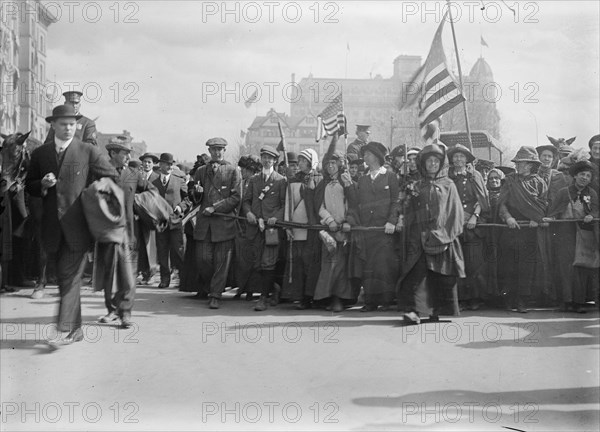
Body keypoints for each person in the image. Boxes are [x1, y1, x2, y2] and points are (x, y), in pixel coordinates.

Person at [26, 105, 117, 345]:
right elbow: (30, 185)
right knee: (68, 279)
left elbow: (111, 177)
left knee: (68, 275)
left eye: (72, 123)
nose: (68, 128)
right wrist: (43, 185)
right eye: (63, 123)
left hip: (80, 227)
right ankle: (76, 330)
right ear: (53, 125)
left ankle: (63, 329)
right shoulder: (41, 154)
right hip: (52, 228)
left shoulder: (87, 151)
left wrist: (94, 194)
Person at [399, 143, 465, 324]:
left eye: (436, 161)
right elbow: (409, 213)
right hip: (419, 238)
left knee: (439, 276)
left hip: (442, 237)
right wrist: (408, 200)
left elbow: (455, 213)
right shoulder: (416, 185)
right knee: (417, 275)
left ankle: (435, 312)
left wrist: (443, 235)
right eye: (429, 161)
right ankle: (414, 312)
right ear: (424, 164)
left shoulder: (449, 185)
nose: (433, 164)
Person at [95, 137, 154, 327]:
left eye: (129, 153)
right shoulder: (100, 172)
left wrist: (139, 205)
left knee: (129, 273)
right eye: (124, 153)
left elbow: (151, 191)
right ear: (112, 153)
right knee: (109, 272)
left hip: (129, 232)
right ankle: (112, 310)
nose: (128, 156)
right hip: (107, 231)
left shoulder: (134, 174)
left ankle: (126, 312)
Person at [347, 141, 400, 311]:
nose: (365, 157)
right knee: (368, 265)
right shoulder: (362, 179)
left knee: (383, 265)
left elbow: (395, 201)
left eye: (368, 154)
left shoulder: (390, 177)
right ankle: (370, 301)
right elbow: (356, 202)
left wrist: (392, 220)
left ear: (376, 157)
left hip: (384, 229)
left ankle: (385, 300)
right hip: (367, 229)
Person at [192, 137, 241, 309]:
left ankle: (215, 295)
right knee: (203, 259)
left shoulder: (233, 170)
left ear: (224, 151)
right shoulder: (201, 171)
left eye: (220, 149)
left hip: (224, 223)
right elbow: (195, 198)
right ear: (209, 152)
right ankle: (209, 287)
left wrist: (216, 208)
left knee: (221, 262)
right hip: (205, 224)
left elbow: (236, 197)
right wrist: (196, 193)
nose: (217, 152)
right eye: (213, 150)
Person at [498, 146, 548, 313]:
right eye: (517, 162)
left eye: (522, 163)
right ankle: (508, 299)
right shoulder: (509, 180)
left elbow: (544, 205)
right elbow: (501, 204)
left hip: (529, 231)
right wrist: (508, 218)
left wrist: (536, 218)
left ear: (531, 165)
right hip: (511, 229)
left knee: (526, 267)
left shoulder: (539, 182)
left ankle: (522, 301)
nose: (518, 165)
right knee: (509, 265)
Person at [545, 160, 599, 312]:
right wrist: (552, 218)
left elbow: (595, 210)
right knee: (566, 267)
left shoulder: (592, 193)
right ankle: (566, 301)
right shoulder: (564, 192)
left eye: (588, 176)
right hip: (565, 233)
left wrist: (591, 216)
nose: (584, 178)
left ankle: (579, 302)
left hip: (583, 233)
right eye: (582, 174)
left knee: (581, 267)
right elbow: (554, 211)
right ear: (575, 176)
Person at [243, 146, 287, 311]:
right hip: (255, 227)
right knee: (257, 263)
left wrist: (277, 216)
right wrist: (248, 213)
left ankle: (263, 298)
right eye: (264, 158)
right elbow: (246, 201)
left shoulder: (281, 180)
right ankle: (274, 289)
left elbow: (284, 204)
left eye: (270, 158)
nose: (267, 161)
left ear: (275, 161)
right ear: (261, 159)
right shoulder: (254, 180)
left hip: (271, 228)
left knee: (268, 262)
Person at [447, 144, 490, 310]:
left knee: (474, 262)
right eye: (455, 156)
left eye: (462, 157)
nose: (458, 159)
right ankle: (461, 299)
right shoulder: (448, 176)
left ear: (467, 160)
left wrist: (475, 216)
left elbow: (482, 198)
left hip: (473, 225)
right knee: (458, 261)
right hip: (454, 225)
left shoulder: (475, 175)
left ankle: (475, 298)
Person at [313, 151, 356, 311]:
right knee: (329, 265)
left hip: (343, 228)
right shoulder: (323, 184)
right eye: (328, 163)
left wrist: (346, 221)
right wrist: (329, 220)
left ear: (339, 164)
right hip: (328, 229)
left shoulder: (345, 182)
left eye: (333, 163)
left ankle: (340, 299)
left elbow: (352, 203)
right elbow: (319, 206)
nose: (331, 166)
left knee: (341, 266)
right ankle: (327, 297)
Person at [282, 148, 322, 309]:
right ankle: (298, 296)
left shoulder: (318, 179)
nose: (300, 164)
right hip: (296, 228)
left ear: (311, 162)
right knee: (297, 265)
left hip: (312, 229)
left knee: (310, 265)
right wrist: (287, 226)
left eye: (303, 161)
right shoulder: (293, 180)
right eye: (299, 161)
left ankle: (310, 296)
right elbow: (288, 205)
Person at [152, 153, 190, 288]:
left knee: (179, 250)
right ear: (160, 165)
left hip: (175, 221)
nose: (168, 166)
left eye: (170, 164)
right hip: (160, 223)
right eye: (166, 164)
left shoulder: (178, 180)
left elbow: (187, 199)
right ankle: (164, 279)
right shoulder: (153, 183)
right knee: (162, 251)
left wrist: (181, 207)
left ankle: (183, 278)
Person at [233, 155, 262, 301]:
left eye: (243, 169)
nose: (241, 171)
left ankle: (250, 290)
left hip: (253, 223)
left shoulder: (255, 182)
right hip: (240, 225)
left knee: (252, 259)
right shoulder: (242, 182)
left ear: (250, 169)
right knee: (242, 259)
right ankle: (242, 288)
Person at [137, 152, 160, 284]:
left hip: (150, 215)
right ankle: (142, 272)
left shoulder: (156, 178)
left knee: (151, 244)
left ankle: (151, 274)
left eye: (149, 162)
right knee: (140, 244)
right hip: (138, 214)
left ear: (153, 164)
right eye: (145, 162)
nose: (146, 164)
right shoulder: (137, 176)